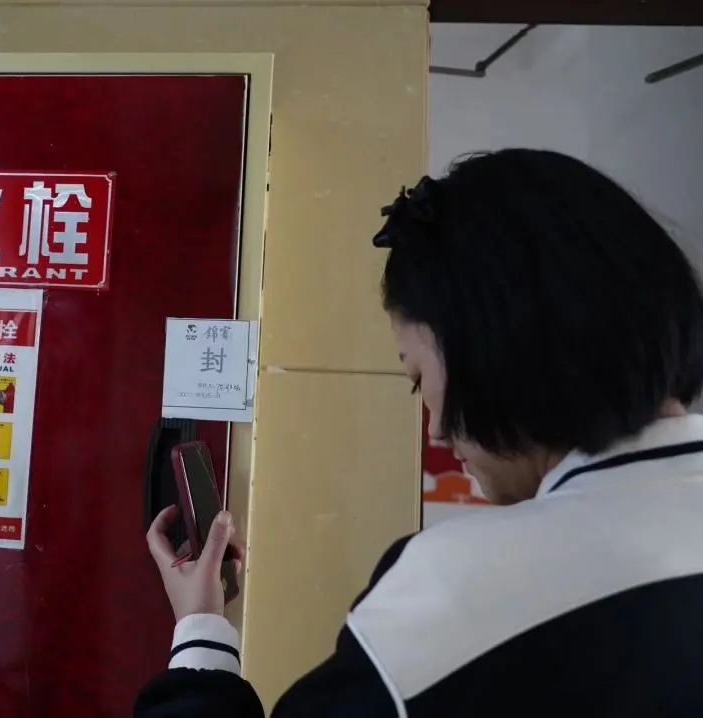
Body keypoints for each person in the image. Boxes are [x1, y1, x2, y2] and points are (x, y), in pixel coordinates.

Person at [135, 149, 703, 717]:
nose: (436, 433)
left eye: (417, 379)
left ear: (486, 347)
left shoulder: (458, 595)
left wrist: (200, 634)